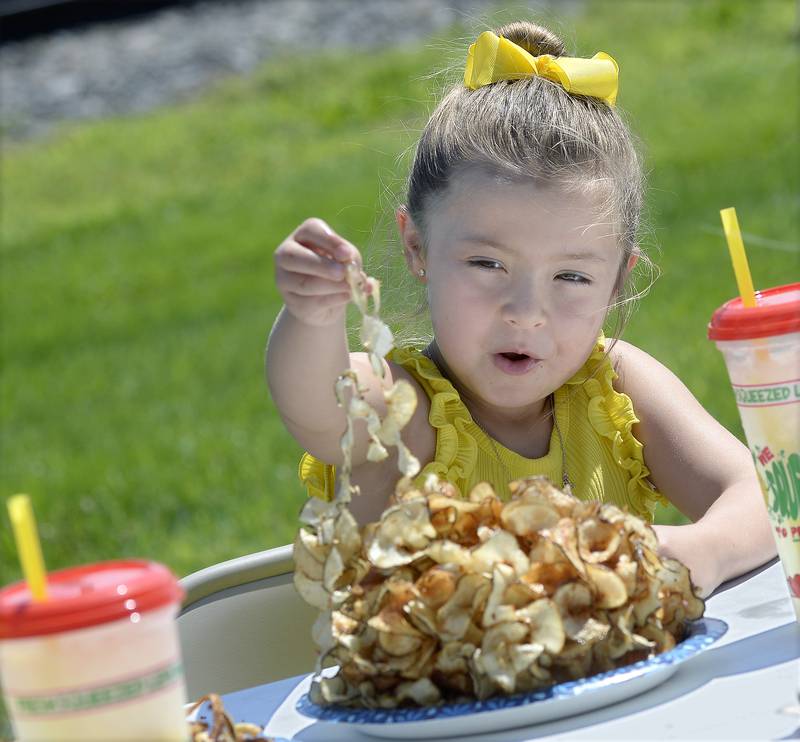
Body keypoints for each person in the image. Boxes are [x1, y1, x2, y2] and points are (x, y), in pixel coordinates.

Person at [266, 21, 776, 596]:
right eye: (487, 265)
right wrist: (312, 316)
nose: (526, 311)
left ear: (615, 284)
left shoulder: (615, 389)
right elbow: (320, 404)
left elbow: (764, 494)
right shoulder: (404, 412)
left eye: (572, 276)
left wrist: (699, 550)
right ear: (418, 248)